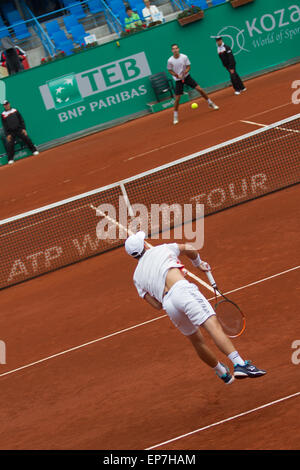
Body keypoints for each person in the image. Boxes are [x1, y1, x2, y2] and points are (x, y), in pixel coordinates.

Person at [125, 231, 266, 384]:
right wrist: (198, 263)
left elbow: (156, 305)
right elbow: (189, 248)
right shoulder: (163, 248)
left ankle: (222, 372)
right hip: (183, 290)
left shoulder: (136, 277)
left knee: (197, 341)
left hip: (168, 304)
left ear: (133, 255)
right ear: (145, 244)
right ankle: (239, 364)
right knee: (213, 326)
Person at [167, 44, 219, 125]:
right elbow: (169, 70)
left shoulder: (184, 57)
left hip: (187, 77)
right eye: (173, 49)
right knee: (177, 99)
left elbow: (188, 67)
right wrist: (176, 75)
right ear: (172, 51)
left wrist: (185, 72)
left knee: (200, 89)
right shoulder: (170, 60)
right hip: (178, 80)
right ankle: (175, 116)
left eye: (176, 48)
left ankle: (210, 103)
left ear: (179, 49)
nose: (175, 50)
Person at [1, 100, 39, 165]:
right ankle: (10, 159)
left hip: (19, 129)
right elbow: (5, 125)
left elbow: (21, 120)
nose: (6, 105)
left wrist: (23, 129)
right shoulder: (3, 114)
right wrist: (7, 135)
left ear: (9, 104)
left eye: (7, 104)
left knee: (27, 138)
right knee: (10, 144)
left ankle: (34, 150)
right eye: (5, 105)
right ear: (3, 106)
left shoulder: (15, 110)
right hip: (11, 133)